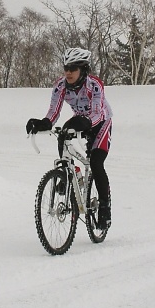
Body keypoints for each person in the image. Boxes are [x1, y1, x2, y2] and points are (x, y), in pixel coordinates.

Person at [26, 47, 113, 230]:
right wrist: (43, 123)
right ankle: (67, 173)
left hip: (100, 122)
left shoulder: (94, 84)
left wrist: (87, 123)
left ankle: (104, 207)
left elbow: (97, 113)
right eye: (66, 67)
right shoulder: (60, 85)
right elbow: (53, 112)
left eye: (73, 68)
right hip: (81, 118)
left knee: (96, 163)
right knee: (63, 132)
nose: (68, 72)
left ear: (83, 69)